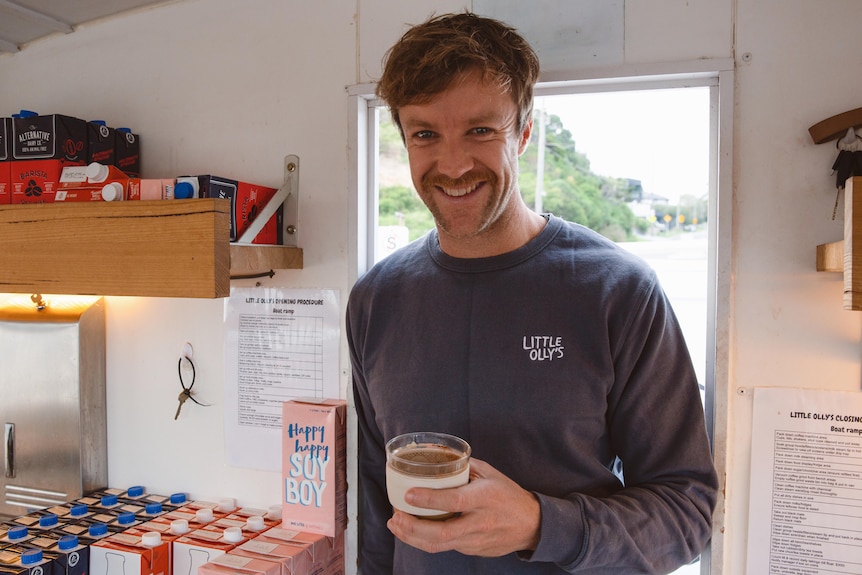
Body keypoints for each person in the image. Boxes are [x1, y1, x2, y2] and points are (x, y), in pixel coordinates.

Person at [346, 11, 718, 575]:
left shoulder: (618, 290)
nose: (452, 164)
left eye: (480, 130)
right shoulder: (376, 300)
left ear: (521, 132)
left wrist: (541, 525)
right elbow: (375, 503)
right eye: (425, 133)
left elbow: (685, 510)